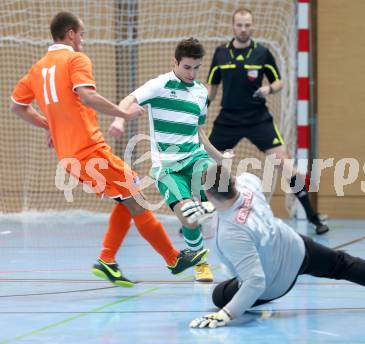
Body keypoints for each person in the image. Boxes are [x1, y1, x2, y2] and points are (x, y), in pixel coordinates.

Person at [10, 12, 208, 288]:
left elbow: (17, 106)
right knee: (135, 195)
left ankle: (108, 260)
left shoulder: (38, 68)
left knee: (128, 196)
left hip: (69, 156)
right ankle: (173, 260)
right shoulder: (75, 59)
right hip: (89, 150)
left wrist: (48, 126)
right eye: (82, 33)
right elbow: (88, 96)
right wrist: (122, 114)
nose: (83, 39)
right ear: (70, 34)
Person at [188, 164, 365, 328]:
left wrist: (225, 315)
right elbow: (230, 186)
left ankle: (242, 306)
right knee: (344, 264)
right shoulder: (248, 182)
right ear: (232, 181)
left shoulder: (230, 233)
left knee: (220, 295)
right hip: (296, 248)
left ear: (208, 196)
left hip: (275, 283)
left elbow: (256, 281)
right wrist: (213, 207)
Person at [107, 38, 231, 282]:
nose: (192, 73)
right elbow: (129, 100)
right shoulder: (160, 85)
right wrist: (119, 119)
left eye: (196, 67)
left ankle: (210, 210)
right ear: (174, 62)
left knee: (216, 178)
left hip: (195, 158)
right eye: (187, 67)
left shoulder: (200, 93)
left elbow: (198, 130)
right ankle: (200, 261)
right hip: (167, 168)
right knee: (187, 217)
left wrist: (219, 156)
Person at [207, 8, 328, 235]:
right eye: (239, 25)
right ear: (233, 27)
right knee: (205, 164)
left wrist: (269, 88)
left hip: (257, 118)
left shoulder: (262, 53)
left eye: (247, 25)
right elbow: (212, 88)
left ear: (253, 27)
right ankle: (196, 219)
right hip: (228, 119)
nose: (243, 29)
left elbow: (279, 82)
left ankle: (313, 217)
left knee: (284, 163)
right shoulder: (220, 54)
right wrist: (200, 106)